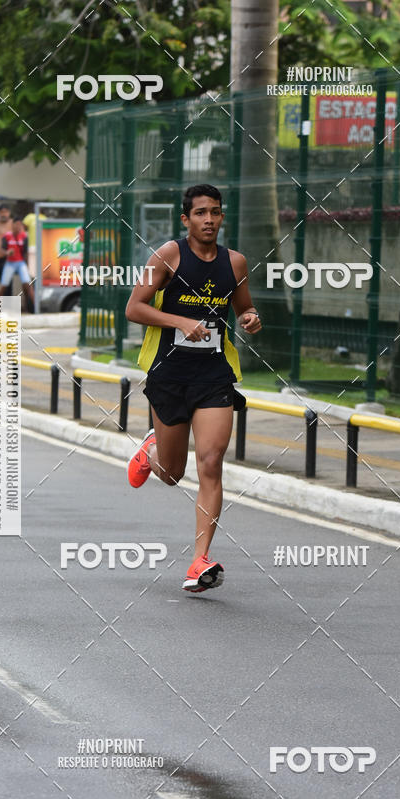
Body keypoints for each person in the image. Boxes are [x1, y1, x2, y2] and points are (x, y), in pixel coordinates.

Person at [125, 184, 261, 593]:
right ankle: (152, 451)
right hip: (169, 374)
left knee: (211, 461)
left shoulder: (235, 263)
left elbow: (244, 308)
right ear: (186, 220)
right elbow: (134, 307)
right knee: (171, 474)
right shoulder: (168, 255)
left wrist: (252, 318)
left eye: (215, 212)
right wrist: (180, 321)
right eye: (200, 213)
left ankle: (199, 560)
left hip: (214, 375)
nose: (209, 220)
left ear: (222, 218)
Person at [0, 218, 35, 312]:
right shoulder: (7, 236)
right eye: (16, 224)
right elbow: (2, 249)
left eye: (19, 224)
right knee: (4, 285)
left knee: (28, 284)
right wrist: (7, 252)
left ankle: (36, 308)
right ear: (12, 225)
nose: (18, 226)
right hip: (10, 263)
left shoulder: (24, 236)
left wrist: (28, 265)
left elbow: (25, 252)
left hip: (21, 263)